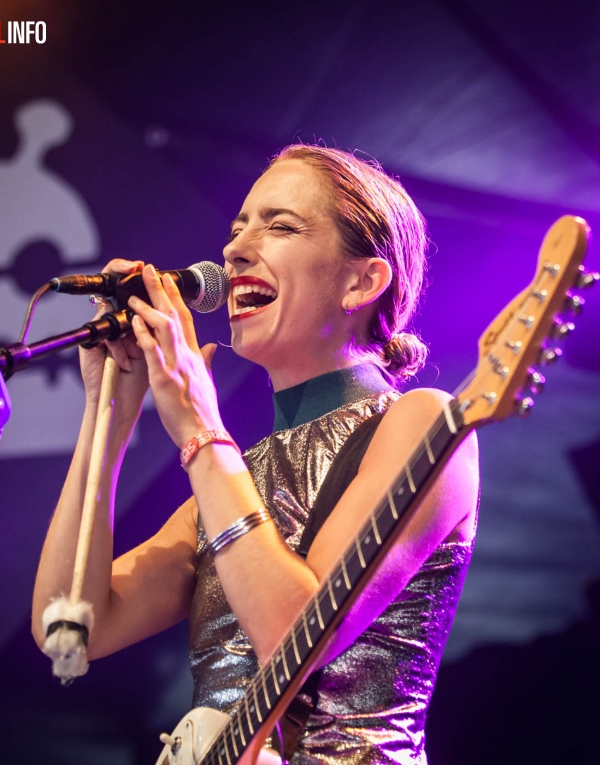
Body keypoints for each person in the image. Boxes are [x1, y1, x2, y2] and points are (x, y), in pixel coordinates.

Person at [31, 144, 479, 764]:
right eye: (238, 227)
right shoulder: (239, 475)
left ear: (362, 281)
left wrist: (196, 421)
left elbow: (292, 634)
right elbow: (73, 627)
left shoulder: (424, 421)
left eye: (280, 225)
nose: (235, 249)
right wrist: (108, 413)